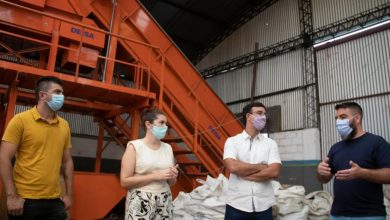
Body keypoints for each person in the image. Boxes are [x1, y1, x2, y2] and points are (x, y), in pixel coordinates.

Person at [0, 76, 74, 219]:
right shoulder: (20, 120)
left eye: (62, 93)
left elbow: (67, 162)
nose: (62, 97)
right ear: (42, 95)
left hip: (55, 202)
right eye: (57, 92)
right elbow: (4, 157)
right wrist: (11, 196)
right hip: (25, 201)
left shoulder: (64, 125)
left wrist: (69, 195)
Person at [317, 102, 390, 220]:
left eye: (343, 117)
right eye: (336, 118)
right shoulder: (335, 148)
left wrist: (362, 173)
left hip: (369, 215)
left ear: (357, 118)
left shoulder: (376, 142)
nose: (338, 122)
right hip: (337, 215)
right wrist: (320, 171)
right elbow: (324, 179)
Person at [223, 102, 282, 220]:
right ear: (248, 116)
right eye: (259, 113)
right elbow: (233, 167)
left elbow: (274, 172)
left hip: (263, 206)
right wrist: (261, 167)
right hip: (236, 205)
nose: (264, 117)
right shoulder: (232, 141)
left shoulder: (270, 144)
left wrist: (243, 173)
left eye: (265, 114)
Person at [120, 108, 178, 220]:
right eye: (161, 123)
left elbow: (171, 182)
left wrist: (173, 175)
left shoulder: (168, 148)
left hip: (164, 199)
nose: (165, 127)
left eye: (166, 124)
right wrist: (155, 176)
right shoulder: (135, 147)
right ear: (148, 124)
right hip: (141, 199)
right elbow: (124, 181)